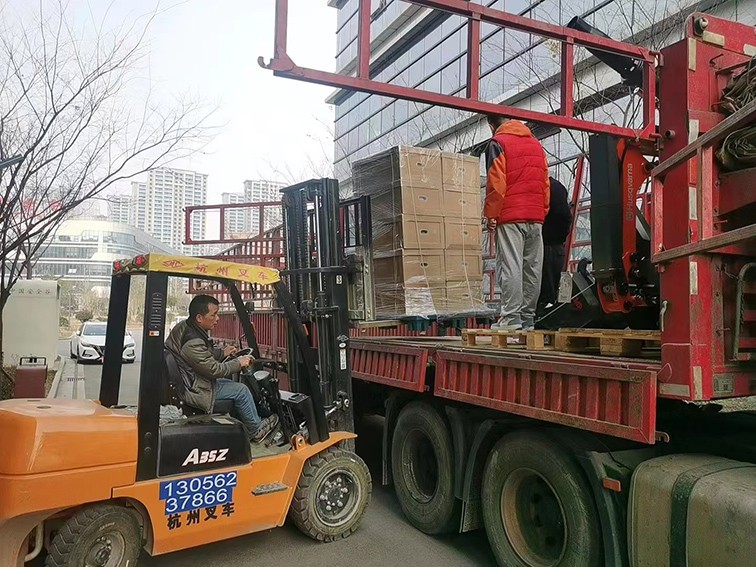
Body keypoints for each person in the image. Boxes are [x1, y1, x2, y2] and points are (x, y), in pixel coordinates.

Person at [166, 294, 278, 443]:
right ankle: (256, 430)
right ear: (199, 317)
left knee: (231, 383)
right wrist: (239, 363)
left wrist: (222, 353)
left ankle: (246, 422)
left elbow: (202, 355)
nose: (217, 318)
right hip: (196, 390)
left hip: (192, 380)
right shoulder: (192, 342)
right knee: (242, 390)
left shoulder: (186, 327)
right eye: (213, 315)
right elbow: (214, 370)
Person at [483, 114, 550, 331]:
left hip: (511, 215)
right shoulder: (536, 145)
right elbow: (545, 182)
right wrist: (542, 210)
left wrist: (491, 215)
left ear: (491, 124)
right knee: (533, 267)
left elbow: (496, 183)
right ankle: (528, 318)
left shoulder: (497, 143)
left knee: (510, 265)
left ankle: (511, 318)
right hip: (536, 215)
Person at [539, 177, 572, 308]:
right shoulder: (555, 187)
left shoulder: (551, 188)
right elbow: (565, 217)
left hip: (549, 245)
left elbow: (564, 216)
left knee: (546, 292)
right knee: (548, 292)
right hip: (553, 244)